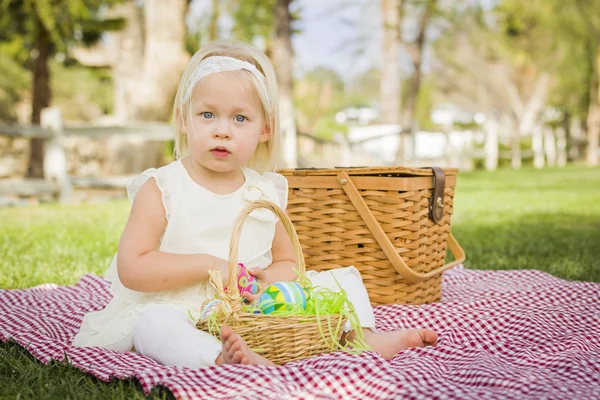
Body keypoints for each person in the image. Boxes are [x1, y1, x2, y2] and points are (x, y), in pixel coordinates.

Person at [72, 41, 438, 368]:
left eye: (240, 118)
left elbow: (289, 263)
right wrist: (211, 266)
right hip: (181, 305)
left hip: (255, 307)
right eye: (207, 115)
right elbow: (132, 268)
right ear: (184, 120)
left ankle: (358, 337)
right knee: (151, 327)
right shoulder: (164, 186)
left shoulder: (262, 192)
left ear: (265, 129)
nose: (222, 130)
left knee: (340, 279)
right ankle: (218, 357)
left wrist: (268, 278)